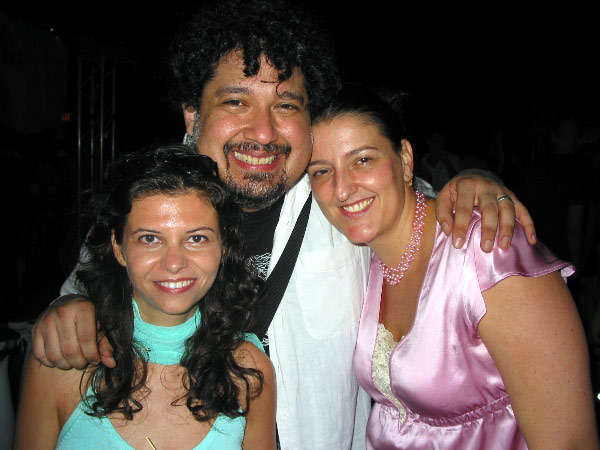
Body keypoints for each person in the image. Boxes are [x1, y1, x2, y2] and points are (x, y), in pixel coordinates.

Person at [29, 1, 537, 448]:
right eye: (235, 102)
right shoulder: (147, 204)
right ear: (191, 114)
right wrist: (68, 306)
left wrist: (472, 184)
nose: (263, 131)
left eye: (286, 105)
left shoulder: (341, 201)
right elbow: (90, 281)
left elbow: (412, 207)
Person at [307, 85, 598, 449]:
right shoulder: (364, 261)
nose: (341, 189)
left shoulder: (487, 251)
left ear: (406, 159)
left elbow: (569, 441)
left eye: (363, 160)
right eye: (321, 171)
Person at [14, 146, 276, 449]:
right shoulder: (64, 360)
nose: (174, 263)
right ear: (118, 248)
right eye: (150, 239)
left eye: (196, 238)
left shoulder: (248, 370)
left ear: (223, 247)